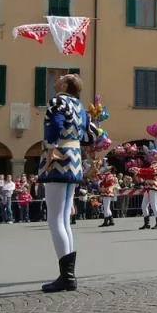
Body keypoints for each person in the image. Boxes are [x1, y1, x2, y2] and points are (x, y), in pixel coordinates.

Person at [38, 73, 95, 293]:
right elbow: (90, 137)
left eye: (63, 76)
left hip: (59, 155)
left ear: (64, 85)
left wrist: (51, 148)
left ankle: (67, 277)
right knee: (63, 219)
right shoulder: (80, 105)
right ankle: (68, 275)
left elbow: (54, 123)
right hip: (75, 157)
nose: (59, 77)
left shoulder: (58, 101)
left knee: (55, 219)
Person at [131, 148, 157, 230]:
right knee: (144, 205)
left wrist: (139, 169)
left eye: (155, 156)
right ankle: (147, 223)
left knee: (153, 205)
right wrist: (137, 172)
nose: (153, 156)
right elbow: (147, 175)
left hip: (153, 186)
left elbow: (151, 172)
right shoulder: (153, 165)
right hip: (148, 187)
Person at [97, 159, 117, 228]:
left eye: (109, 167)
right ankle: (110, 220)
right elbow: (102, 179)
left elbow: (109, 183)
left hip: (107, 191)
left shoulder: (109, 175)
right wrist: (98, 173)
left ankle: (106, 220)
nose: (107, 167)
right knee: (107, 207)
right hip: (106, 191)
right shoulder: (107, 175)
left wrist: (103, 185)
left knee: (106, 207)